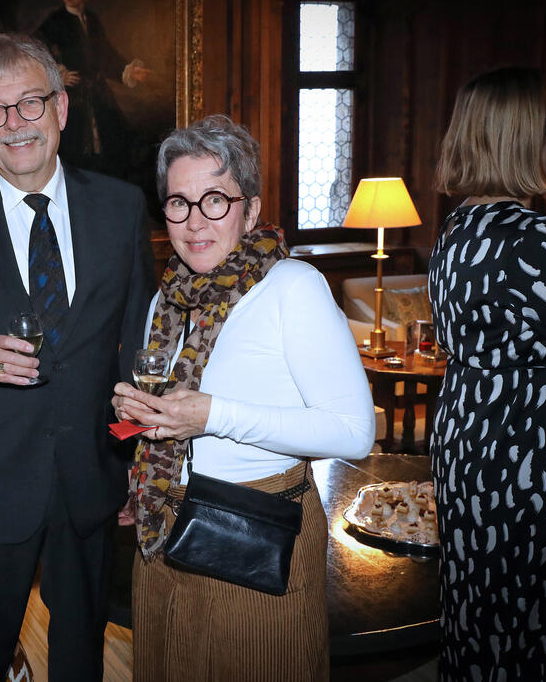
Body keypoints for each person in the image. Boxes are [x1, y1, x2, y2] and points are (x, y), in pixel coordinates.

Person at [0, 32, 152, 680]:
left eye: (29, 104)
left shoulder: (121, 208)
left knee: (80, 661)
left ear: (61, 109)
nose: (14, 124)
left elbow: (137, 351)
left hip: (89, 483)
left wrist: (126, 456)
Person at [112, 115, 375, 680]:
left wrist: (213, 416)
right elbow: (177, 414)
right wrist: (143, 419)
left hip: (256, 534)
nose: (194, 220)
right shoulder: (169, 299)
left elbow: (353, 430)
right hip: (164, 526)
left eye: (215, 200)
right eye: (178, 202)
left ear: (250, 210)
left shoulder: (292, 287)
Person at [430, 66, 546, 680]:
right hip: (532, 452)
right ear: (528, 133)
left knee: (481, 612)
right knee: (543, 622)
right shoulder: (541, 239)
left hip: (467, 435)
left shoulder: (457, 230)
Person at [36, 0, 150, 175]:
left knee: (112, 148)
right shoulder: (55, 21)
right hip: (72, 97)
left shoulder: (92, 19)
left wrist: (127, 70)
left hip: (97, 94)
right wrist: (59, 74)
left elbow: (105, 54)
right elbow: (36, 48)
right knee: (75, 151)